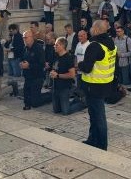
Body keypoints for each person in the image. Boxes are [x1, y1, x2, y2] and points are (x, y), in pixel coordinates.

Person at [78, 20, 117, 150]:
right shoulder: (111, 43)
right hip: (105, 84)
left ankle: (101, 145)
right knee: (94, 114)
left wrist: (79, 64)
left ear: (96, 30)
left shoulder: (95, 45)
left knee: (98, 116)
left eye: (92, 27)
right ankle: (92, 139)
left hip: (94, 85)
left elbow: (87, 67)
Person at [49, 37, 78, 115]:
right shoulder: (56, 56)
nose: (54, 46)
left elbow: (72, 75)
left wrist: (58, 75)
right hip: (56, 87)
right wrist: (51, 72)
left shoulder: (68, 58)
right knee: (56, 110)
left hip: (64, 87)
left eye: (56, 45)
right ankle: (68, 103)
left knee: (65, 112)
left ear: (62, 46)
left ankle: (82, 102)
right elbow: (54, 68)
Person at [20, 30, 46, 110]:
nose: (24, 39)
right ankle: (29, 102)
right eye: (23, 38)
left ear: (31, 38)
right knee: (27, 101)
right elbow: (22, 59)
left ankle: (49, 95)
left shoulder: (38, 48)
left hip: (37, 77)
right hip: (28, 76)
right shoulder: (25, 48)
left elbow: (42, 64)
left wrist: (29, 66)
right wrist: (21, 64)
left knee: (35, 103)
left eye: (26, 37)